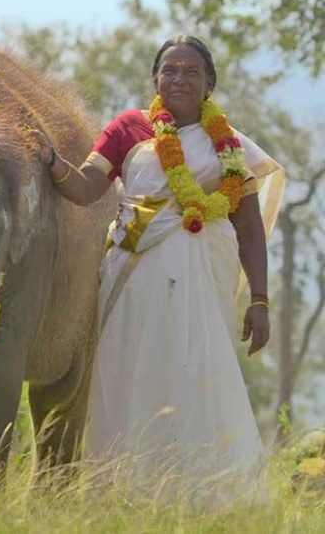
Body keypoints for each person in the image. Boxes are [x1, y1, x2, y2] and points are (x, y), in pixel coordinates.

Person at [35, 35, 285, 503]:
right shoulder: (129, 128)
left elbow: (249, 229)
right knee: (128, 371)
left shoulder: (231, 148)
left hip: (202, 286)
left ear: (209, 83)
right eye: (169, 70)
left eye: (191, 71)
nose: (179, 79)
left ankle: (205, 493)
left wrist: (259, 300)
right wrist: (52, 163)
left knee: (195, 370)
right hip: (134, 279)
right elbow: (89, 188)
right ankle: (120, 489)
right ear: (154, 79)